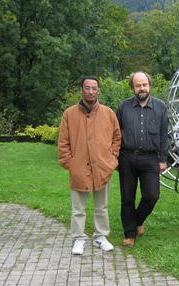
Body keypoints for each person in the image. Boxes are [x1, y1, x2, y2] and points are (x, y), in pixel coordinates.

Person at [58, 76, 121, 255]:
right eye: (87, 88)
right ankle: (78, 238)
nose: (91, 91)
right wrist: (70, 163)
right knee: (78, 208)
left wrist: (112, 160)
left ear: (98, 90)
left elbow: (117, 138)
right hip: (79, 169)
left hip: (103, 168)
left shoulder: (108, 113)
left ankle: (100, 236)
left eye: (94, 88)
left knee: (102, 206)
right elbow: (63, 142)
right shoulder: (69, 114)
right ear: (81, 89)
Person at [116, 71, 168, 247]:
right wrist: (115, 157)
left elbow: (164, 135)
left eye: (144, 84)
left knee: (152, 196)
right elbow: (116, 135)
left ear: (149, 86)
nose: (142, 88)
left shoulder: (160, 107)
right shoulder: (123, 108)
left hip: (151, 159)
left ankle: (137, 221)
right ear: (133, 88)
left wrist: (163, 159)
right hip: (127, 158)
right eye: (138, 85)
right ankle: (130, 234)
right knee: (127, 198)